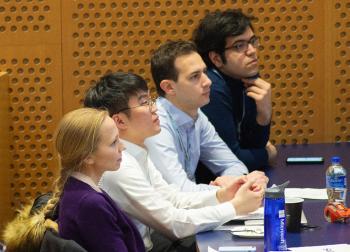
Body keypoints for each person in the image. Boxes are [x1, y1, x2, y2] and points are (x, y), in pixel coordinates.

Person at [84, 72, 265, 252]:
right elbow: (172, 224)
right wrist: (235, 207)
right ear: (120, 121)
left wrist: (222, 195)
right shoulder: (120, 166)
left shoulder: (136, 153)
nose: (154, 108)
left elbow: (173, 199)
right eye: (144, 102)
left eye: (151, 99)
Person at [3, 108, 145, 252]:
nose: (123, 146)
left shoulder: (78, 190)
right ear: (87, 156)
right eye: (114, 142)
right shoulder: (90, 204)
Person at [145, 40, 268, 191]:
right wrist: (229, 187)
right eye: (195, 76)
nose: (208, 81)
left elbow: (233, 164)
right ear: (169, 87)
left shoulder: (196, 115)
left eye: (204, 72)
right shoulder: (155, 124)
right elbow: (179, 190)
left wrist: (236, 181)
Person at [192, 9, 277, 171]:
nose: (252, 51)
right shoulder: (211, 89)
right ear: (216, 58)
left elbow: (250, 145)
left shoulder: (245, 77)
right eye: (239, 46)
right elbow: (231, 161)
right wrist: (268, 154)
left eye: (252, 41)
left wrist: (264, 115)